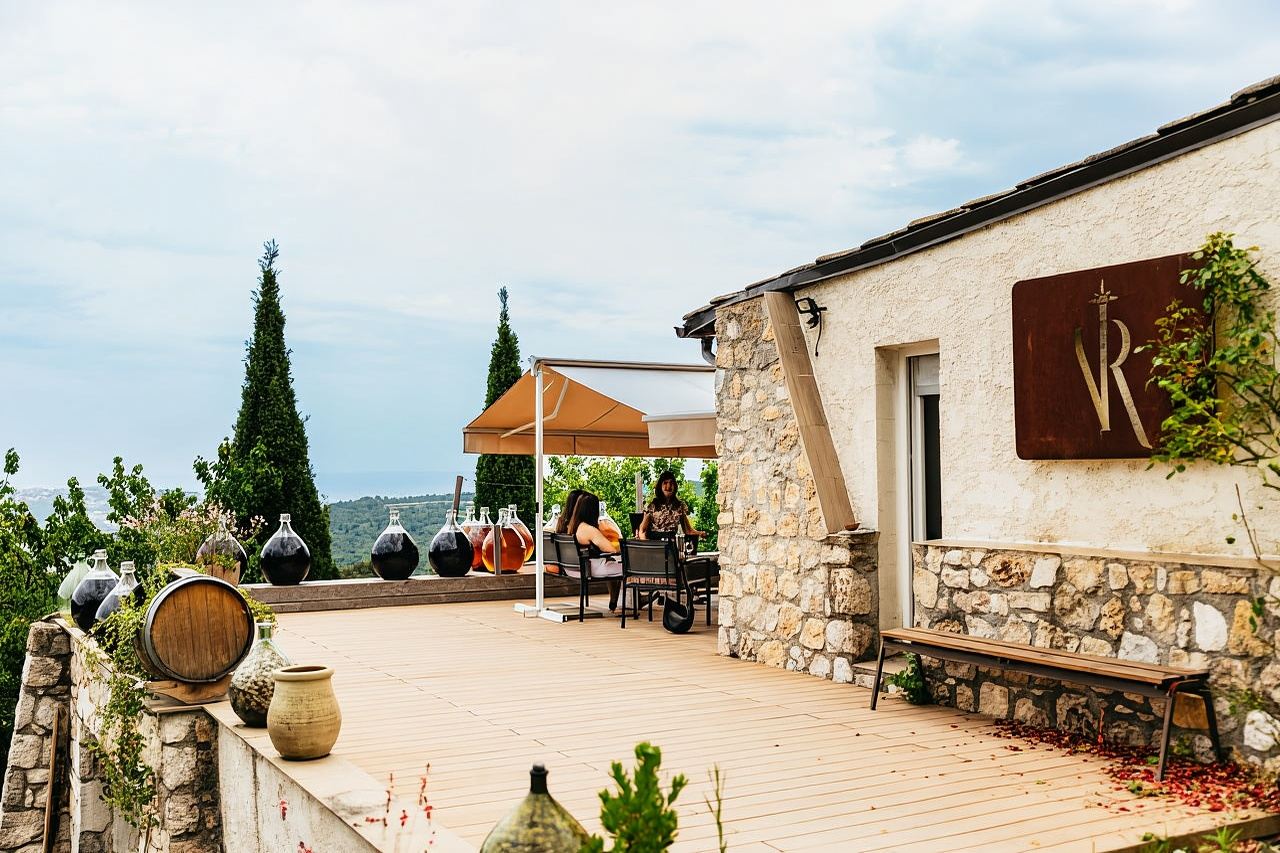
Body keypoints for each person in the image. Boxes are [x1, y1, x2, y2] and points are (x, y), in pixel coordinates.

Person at [568, 492, 623, 613]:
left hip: (575, 568)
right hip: (591, 569)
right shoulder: (589, 530)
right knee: (628, 567)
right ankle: (628, 602)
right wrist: (625, 544)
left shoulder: (573, 526)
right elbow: (611, 549)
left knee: (614, 562)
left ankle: (615, 601)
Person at [638, 471, 703, 542]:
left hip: (672, 544)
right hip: (655, 544)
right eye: (665, 483)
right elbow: (642, 530)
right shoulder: (652, 506)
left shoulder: (679, 506)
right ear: (660, 486)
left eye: (671, 483)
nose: (668, 486)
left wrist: (701, 533)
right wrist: (646, 545)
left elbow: (688, 530)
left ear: (675, 486)